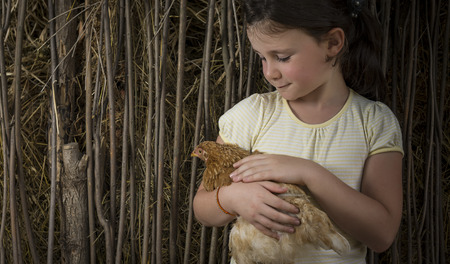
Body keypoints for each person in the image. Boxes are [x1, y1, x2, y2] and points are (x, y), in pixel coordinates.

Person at [193, 0, 404, 262]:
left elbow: (382, 235)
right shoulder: (251, 115)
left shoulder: (374, 122)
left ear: (332, 44)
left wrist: (309, 173)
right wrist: (231, 198)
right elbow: (202, 207)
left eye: (282, 57)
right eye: (262, 57)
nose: (269, 72)